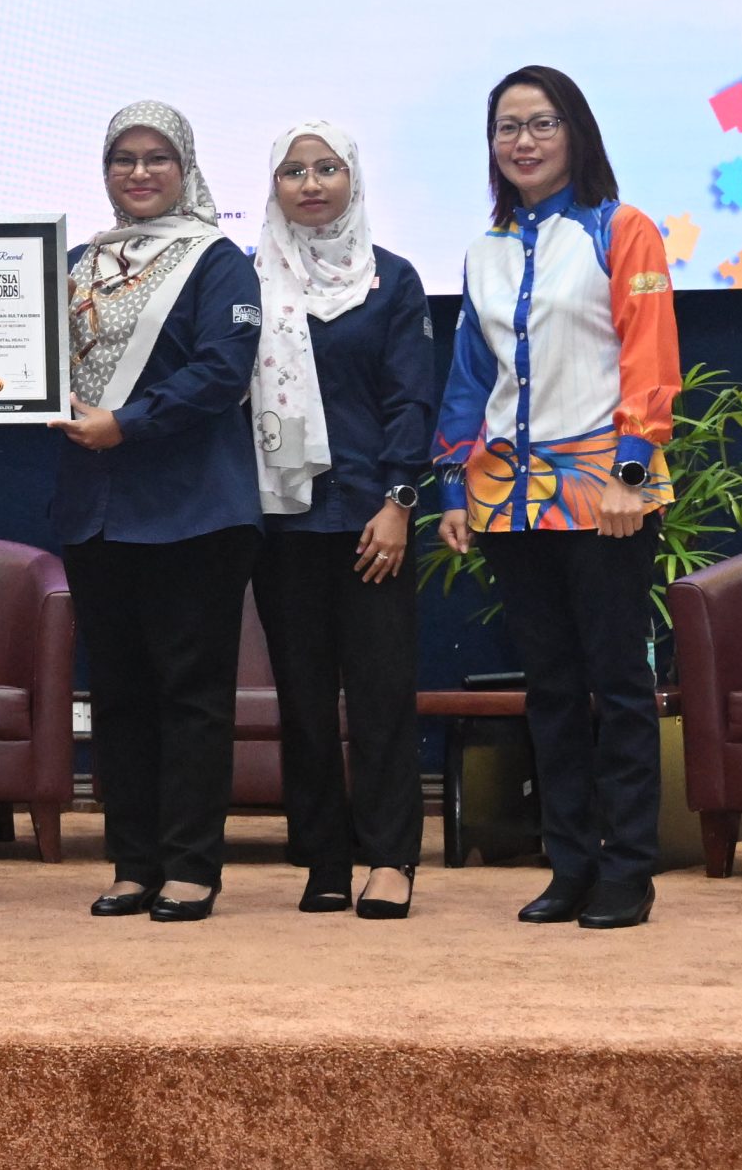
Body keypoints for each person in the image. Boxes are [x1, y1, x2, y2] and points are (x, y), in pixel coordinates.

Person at [436, 65, 678, 932]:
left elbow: (651, 357)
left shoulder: (623, 229)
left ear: (575, 132)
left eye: (541, 123)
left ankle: (628, 869)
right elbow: (470, 378)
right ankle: (568, 863)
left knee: (617, 685)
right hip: (507, 495)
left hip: (606, 489)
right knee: (549, 688)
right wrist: (454, 485)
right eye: (507, 127)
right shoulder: (484, 250)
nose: (524, 141)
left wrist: (633, 472)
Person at [51, 101, 262, 924]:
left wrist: (126, 423)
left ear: (186, 166)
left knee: (192, 693)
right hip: (95, 511)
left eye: (156, 158)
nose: (139, 173)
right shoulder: (73, 262)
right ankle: (134, 861)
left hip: (193, 511)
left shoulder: (218, 262)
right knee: (119, 696)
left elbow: (222, 371)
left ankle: (190, 867)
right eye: (123, 159)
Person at [247, 123, 434, 921]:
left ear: (353, 178)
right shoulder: (247, 280)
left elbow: (412, 400)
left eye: (327, 168)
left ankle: (390, 858)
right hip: (280, 522)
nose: (312, 182)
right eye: (294, 170)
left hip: (370, 522)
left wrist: (398, 502)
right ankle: (324, 855)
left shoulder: (391, 280)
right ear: (275, 185)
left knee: (383, 695)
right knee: (303, 699)